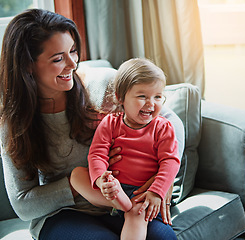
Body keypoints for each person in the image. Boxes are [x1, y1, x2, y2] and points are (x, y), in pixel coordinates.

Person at [0, 9, 183, 240]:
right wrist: (78, 183)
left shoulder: (102, 86)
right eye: (58, 58)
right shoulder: (15, 123)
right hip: (64, 214)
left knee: (163, 238)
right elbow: (23, 205)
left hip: (126, 198)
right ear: (28, 65)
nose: (72, 64)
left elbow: (172, 122)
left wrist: (161, 183)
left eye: (73, 51)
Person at [71, 58, 181, 240]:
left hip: (143, 194)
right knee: (76, 175)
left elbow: (170, 161)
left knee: (136, 215)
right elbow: (97, 154)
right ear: (120, 97)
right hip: (114, 190)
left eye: (158, 97)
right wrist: (101, 181)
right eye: (142, 96)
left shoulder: (162, 127)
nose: (151, 104)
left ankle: (126, 206)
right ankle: (119, 202)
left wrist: (156, 191)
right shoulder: (110, 123)